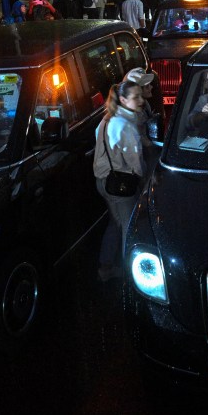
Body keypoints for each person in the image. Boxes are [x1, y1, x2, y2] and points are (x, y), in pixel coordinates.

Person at [93, 80, 148, 282]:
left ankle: (105, 267)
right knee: (128, 227)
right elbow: (136, 164)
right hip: (120, 186)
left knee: (115, 223)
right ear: (123, 99)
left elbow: (98, 138)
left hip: (103, 180)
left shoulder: (107, 119)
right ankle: (131, 277)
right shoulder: (126, 126)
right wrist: (145, 183)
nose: (141, 100)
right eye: (136, 97)